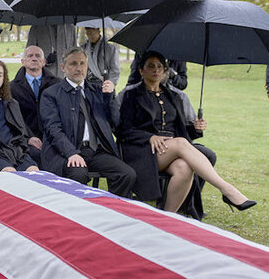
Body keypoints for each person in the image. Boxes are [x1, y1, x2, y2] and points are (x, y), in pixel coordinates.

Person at [117, 51, 256, 212]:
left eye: (159, 67)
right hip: (142, 150)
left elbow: (181, 130)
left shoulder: (173, 96)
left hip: (171, 149)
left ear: (165, 71)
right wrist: (150, 137)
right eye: (151, 66)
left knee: (184, 167)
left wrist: (195, 128)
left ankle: (167, 217)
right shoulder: (131, 95)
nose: (156, 70)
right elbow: (123, 130)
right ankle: (226, 189)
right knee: (181, 143)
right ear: (141, 70)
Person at [40, 47, 136, 197]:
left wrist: (109, 97)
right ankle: (79, 215)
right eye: (73, 64)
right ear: (63, 67)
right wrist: (71, 153)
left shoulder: (97, 90)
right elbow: (53, 129)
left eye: (82, 63)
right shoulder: (51, 94)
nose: (79, 68)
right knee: (78, 175)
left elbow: (115, 122)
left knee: (126, 174)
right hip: (68, 151)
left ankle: (111, 211)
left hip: (96, 151)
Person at [9, 45, 61, 164]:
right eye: (30, 56)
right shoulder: (11, 88)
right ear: (23, 62)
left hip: (53, 136)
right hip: (25, 138)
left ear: (44, 62)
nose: (34, 58)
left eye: (38, 56)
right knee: (35, 155)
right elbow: (14, 118)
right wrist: (28, 137)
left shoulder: (57, 85)